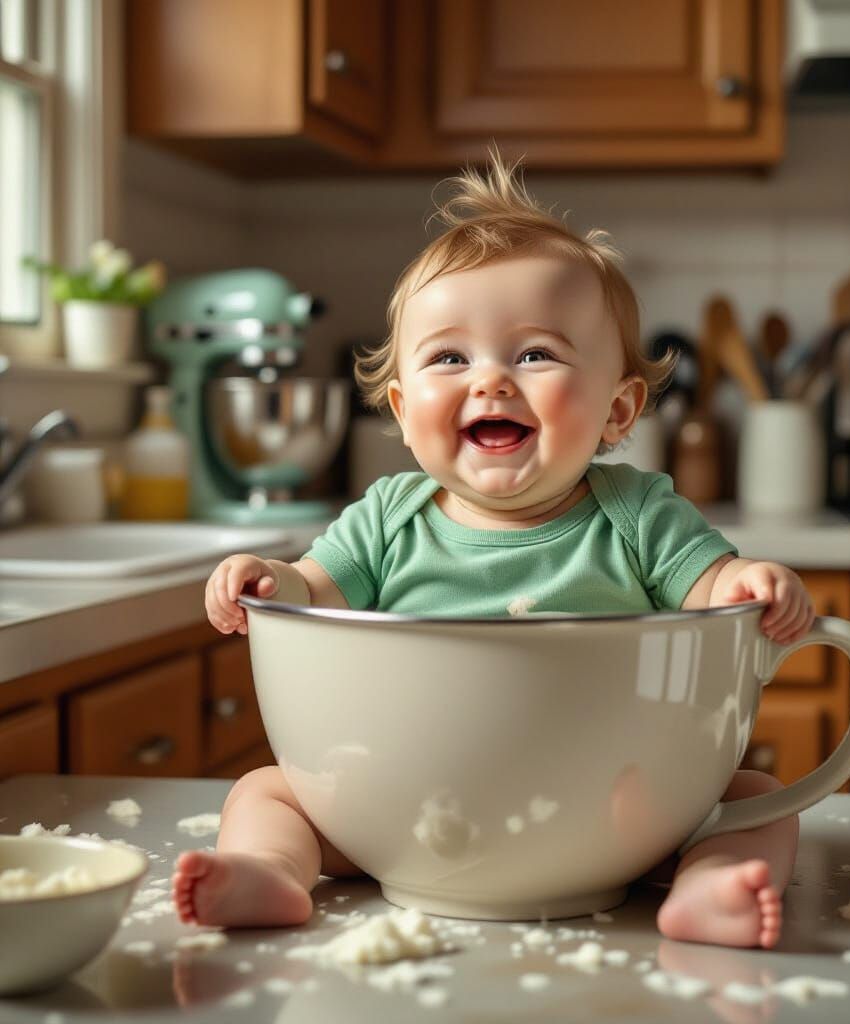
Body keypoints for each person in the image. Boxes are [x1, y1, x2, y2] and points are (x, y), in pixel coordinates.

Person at [173, 154, 813, 950]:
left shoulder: (641, 514)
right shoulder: (385, 518)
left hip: (613, 822)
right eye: (449, 358)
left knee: (756, 795)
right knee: (267, 792)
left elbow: (718, 592)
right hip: (404, 822)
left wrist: (753, 580)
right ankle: (269, 870)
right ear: (405, 413)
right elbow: (308, 591)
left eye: (535, 354)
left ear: (619, 411)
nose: (490, 382)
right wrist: (268, 579)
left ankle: (709, 888)